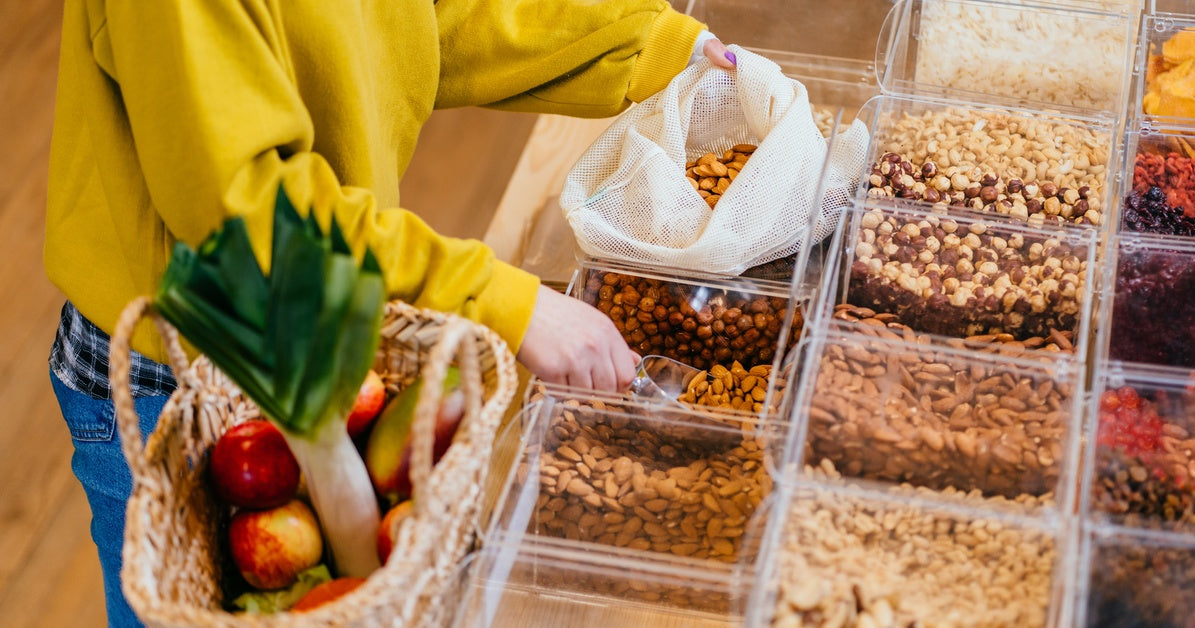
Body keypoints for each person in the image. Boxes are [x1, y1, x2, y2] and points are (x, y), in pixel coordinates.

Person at [44, 0, 734, 624]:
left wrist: (646, 47)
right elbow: (250, 211)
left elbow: (429, 16)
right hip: (183, 376)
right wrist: (504, 301)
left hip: (323, 321)